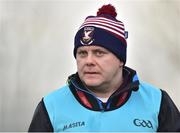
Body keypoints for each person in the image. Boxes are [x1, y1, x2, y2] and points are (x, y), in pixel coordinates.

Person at [28, 4, 180, 132]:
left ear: (120, 59)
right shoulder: (51, 106)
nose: (89, 61)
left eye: (99, 53)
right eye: (82, 53)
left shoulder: (157, 102)